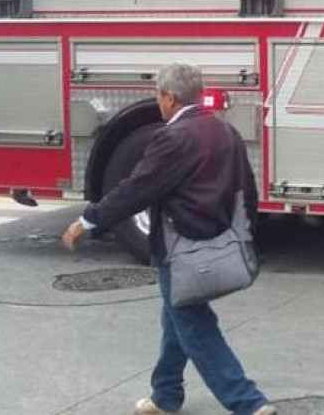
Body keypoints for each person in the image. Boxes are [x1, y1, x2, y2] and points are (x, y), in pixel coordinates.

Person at [62, 64, 276, 415]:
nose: (158, 102)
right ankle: (165, 395)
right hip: (217, 239)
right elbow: (247, 192)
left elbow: (136, 189)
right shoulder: (225, 131)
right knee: (175, 316)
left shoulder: (172, 138)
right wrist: (245, 232)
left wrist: (88, 220)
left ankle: (247, 402)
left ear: (170, 97)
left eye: (158, 96)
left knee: (192, 322)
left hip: (181, 247)